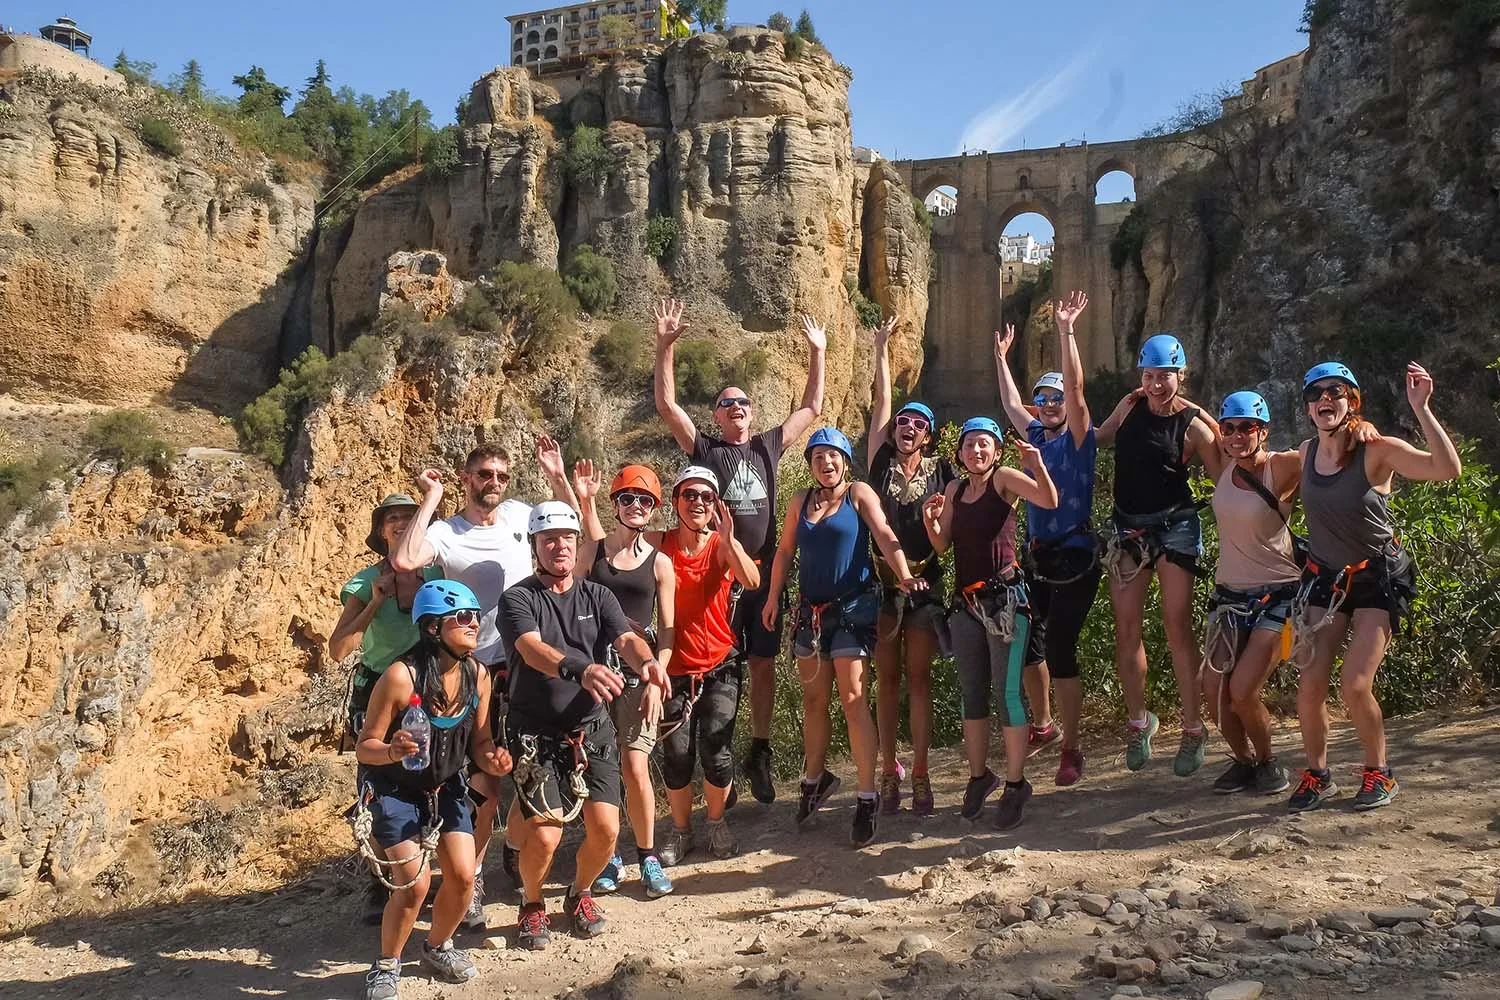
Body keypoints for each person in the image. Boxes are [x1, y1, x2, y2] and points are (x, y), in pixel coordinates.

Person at [389, 439, 576, 928]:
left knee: (526, 773)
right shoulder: (447, 533)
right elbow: (406, 561)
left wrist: (556, 476)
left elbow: (569, 529)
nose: (492, 482)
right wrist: (430, 496)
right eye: (483, 474)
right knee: (483, 785)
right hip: (471, 672)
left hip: (526, 667)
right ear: (467, 479)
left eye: (499, 474)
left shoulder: (519, 515)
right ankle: (467, 881)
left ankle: (512, 849)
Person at [653, 298, 825, 804]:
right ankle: (717, 763)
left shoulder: (768, 446)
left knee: (763, 664)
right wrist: (665, 347)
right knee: (715, 665)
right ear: (717, 415)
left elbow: (811, 409)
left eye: (743, 402)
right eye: (727, 403)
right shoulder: (705, 451)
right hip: (719, 578)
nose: (736, 407)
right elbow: (666, 407)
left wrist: (818, 352)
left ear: (752, 413)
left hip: (764, 576)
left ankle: (760, 753)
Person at [1287, 361, 1460, 812]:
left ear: (1351, 401)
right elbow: (1250, 467)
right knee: (1309, 684)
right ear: (1307, 407)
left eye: (1335, 392)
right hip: (1325, 579)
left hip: (1377, 578)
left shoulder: (1376, 451)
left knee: (1355, 683)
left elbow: (1446, 469)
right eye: (1316, 394)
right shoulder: (1305, 453)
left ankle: (1379, 771)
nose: (1325, 399)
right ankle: (1318, 775)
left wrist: (1421, 409)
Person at [498, 502, 668, 951]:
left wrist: (648, 663)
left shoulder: (597, 596)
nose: (560, 546)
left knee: (608, 831)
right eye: (549, 539)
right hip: (535, 731)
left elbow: (626, 638)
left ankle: (580, 892)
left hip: (590, 728)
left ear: (578, 544)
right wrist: (580, 669)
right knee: (546, 832)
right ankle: (532, 903)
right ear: (535, 546)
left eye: (567, 538)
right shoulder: (518, 598)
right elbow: (532, 650)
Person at [763, 428, 927, 846]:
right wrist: (772, 597)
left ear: (845, 461)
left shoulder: (858, 494)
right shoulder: (801, 501)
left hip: (852, 610)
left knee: (854, 701)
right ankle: (815, 780)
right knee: (815, 702)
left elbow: (885, 533)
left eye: (832, 455)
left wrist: (905, 574)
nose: (826, 463)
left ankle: (868, 795)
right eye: (818, 456)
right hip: (810, 615)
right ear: (812, 464)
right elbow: (784, 552)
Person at [355, 580, 512, 1000]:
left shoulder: (477, 675)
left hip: (444, 787)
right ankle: (387, 964)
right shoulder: (399, 677)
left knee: (462, 876)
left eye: (475, 616)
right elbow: (364, 748)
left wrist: (493, 758)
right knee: (413, 883)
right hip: (393, 788)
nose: (474, 624)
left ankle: (438, 946)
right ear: (431, 629)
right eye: (462, 618)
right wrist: (391, 750)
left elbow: (479, 743)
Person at [922, 418, 1058, 829]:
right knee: (971, 694)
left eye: (984, 445)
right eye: (969, 446)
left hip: (1005, 603)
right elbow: (943, 545)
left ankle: (1016, 784)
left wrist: (1037, 466)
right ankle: (979, 777)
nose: (976, 452)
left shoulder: (1005, 479)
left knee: (1007, 693)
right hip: (966, 605)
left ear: (996, 451)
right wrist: (931, 522)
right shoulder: (954, 490)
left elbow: (1049, 501)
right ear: (959, 453)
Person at [992, 291, 1102, 787]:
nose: (1051, 405)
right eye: (1045, 400)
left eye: (1055, 398)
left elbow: (1077, 389)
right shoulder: (1034, 436)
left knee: (1059, 647)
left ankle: (1073, 749)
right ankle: (1045, 725)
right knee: (1031, 646)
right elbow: (1011, 404)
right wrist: (1001, 360)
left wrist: (1065, 331)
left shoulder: (1080, 438)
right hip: (1039, 559)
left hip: (1077, 555)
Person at [1095, 335, 1219, 776]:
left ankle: (1192, 728)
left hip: (1176, 526)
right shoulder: (1128, 407)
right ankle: (1139, 721)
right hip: (1129, 527)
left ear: (1180, 376)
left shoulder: (1195, 426)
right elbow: (1096, 438)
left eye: (1165, 376)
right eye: (1149, 376)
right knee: (1126, 628)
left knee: (1176, 624)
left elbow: (1227, 475)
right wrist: (1043, 423)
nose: (1156, 384)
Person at [330, 494, 445, 924]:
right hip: (378, 692)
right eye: (392, 519)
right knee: (379, 784)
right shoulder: (363, 583)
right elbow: (339, 649)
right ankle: (386, 881)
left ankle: (434, 873)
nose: (400, 524)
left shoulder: (436, 574)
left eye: (409, 518)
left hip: (432, 691)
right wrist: (375, 602)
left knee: (439, 779)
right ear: (381, 532)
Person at [572, 462, 676, 899]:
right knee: (600, 766)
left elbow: (668, 630)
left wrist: (657, 678)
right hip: (597, 671)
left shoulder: (660, 563)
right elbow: (571, 595)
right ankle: (609, 853)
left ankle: (647, 855)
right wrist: (582, 498)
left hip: (637, 674)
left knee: (635, 765)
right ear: (615, 504)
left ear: (653, 510)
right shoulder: (593, 552)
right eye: (628, 499)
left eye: (645, 501)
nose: (636, 506)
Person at [865, 315, 954, 816]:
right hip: (881, 587)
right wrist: (880, 349)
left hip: (926, 586)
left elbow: (947, 542)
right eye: (904, 421)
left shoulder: (942, 472)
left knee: (919, 680)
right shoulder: (879, 462)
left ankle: (919, 771)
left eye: (919, 424)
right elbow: (880, 402)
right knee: (888, 681)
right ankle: (887, 771)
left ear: (929, 435)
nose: (908, 426)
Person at [655, 467, 761, 865]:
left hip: (720, 664)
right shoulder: (660, 545)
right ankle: (682, 830)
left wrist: (731, 540)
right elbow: (611, 549)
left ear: (715, 504)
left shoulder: (720, 545)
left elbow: (751, 581)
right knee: (677, 756)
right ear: (676, 501)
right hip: (673, 668)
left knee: (716, 749)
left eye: (706, 496)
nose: (698, 502)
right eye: (689, 495)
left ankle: (716, 822)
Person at [1196, 391, 1299, 797]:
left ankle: (1269, 759)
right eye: (1229, 428)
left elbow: (1327, 453)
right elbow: (1193, 416)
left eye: (1247, 427)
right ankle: (1244, 761)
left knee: (1242, 690)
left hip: (1279, 597)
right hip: (1229, 599)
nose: (1237, 435)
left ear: (1264, 431)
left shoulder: (1282, 467)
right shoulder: (1224, 465)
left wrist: (1359, 432)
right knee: (1212, 688)